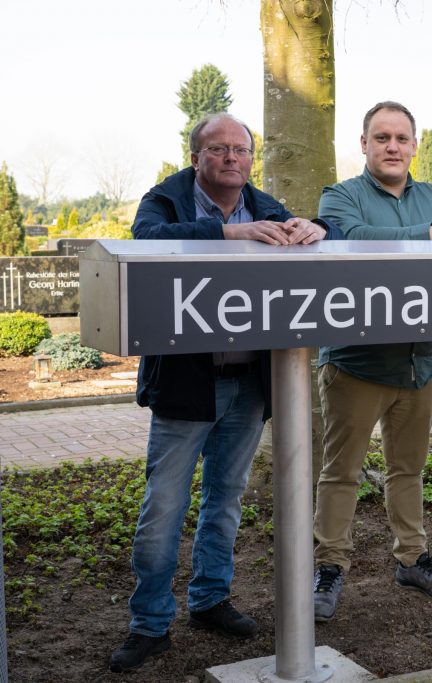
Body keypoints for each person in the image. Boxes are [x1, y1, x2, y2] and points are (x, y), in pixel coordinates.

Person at [110, 113, 336, 672]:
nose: (232, 158)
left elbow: (303, 229)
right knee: (164, 507)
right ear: (196, 157)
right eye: (219, 149)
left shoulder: (263, 204)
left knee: (225, 500)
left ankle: (210, 600)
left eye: (241, 149)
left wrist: (315, 230)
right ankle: (149, 623)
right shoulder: (164, 200)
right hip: (186, 389)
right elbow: (146, 242)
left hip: (248, 388)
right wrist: (229, 234)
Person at [311, 101, 432, 621]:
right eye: (381, 137)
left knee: (407, 469)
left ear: (414, 145)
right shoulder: (340, 196)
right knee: (340, 472)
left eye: (401, 138)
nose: (392, 147)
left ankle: (412, 559)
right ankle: (330, 568)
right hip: (356, 363)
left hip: (420, 361)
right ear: (363, 144)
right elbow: (354, 240)